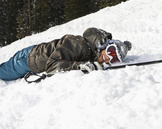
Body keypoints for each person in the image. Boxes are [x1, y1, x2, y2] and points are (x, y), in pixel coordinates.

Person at [0, 27, 132, 81]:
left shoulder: (91, 52)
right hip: (29, 59)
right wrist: (80, 66)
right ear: (103, 45)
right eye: (110, 51)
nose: (108, 57)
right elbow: (52, 65)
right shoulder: (79, 45)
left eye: (114, 58)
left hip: (37, 57)